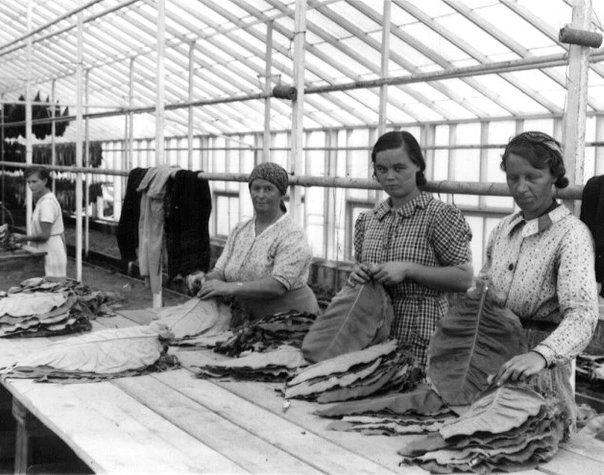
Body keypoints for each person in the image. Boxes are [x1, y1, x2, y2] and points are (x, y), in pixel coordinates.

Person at [486, 131, 598, 433]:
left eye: (532, 177)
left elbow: (582, 315)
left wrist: (541, 355)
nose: (520, 187)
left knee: (533, 440)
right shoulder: (502, 230)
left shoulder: (571, 235)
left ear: (554, 176)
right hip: (495, 361)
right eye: (513, 178)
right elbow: (487, 286)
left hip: (543, 377)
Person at [349, 131, 474, 364]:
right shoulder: (369, 220)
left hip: (422, 338)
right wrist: (358, 274)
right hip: (373, 336)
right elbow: (359, 270)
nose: (390, 177)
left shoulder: (439, 215)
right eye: (382, 169)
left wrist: (409, 269)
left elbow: (465, 278)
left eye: (399, 168)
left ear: (418, 165)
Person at [196, 162, 320, 322]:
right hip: (247, 317)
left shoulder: (292, 234)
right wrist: (205, 279)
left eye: (268, 189)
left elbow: (277, 286)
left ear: (281, 193)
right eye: (256, 188)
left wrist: (229, 288)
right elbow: (220, 272)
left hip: (288, 320)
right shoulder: (240, 230)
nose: (260, 195)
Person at [12, 166, 67, 277]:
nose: (31, 185)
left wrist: (23, 238)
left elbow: (44, 235)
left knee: (50, 283)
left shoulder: (47, 203)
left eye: (34, 181)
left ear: (45, 181)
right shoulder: (43, 200)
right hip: (46, 249)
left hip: (49, 250)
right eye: (28, 182)